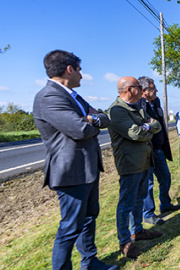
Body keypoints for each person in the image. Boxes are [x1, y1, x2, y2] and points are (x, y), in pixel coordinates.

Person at [33, 50, 116, 270]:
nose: (82, 75)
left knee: (89, 218)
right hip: (71, 172)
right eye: (80, 70)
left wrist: (91, 119)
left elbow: (104, 118)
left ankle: (90, 262)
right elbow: (80, 130)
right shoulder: (49, 96)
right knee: (70, 227)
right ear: (70, 69)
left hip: (88, 168)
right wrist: (89, 121)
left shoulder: (73, 95)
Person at [107, 76, 163, 259]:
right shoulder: (116, 110)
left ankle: (137, 230)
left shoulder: (137, 107)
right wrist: (147, 129)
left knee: (140, 197)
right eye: (139, 87)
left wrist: (145, 127)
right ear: (130, 89)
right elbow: (134, 133)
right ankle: (125, 241)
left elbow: (156, 125)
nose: (143, 90)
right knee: (126, 203)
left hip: (145, 161)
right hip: (130, 164)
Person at [136, 76, 180, 225]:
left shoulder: (156, 103)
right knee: (148, 184)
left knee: (165, 177)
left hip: (159, 149)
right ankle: (148, 214)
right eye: (153, 88)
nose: (156, 91)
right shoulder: (138, 105)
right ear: (144, 91)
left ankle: (165, 204)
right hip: (146, 151)